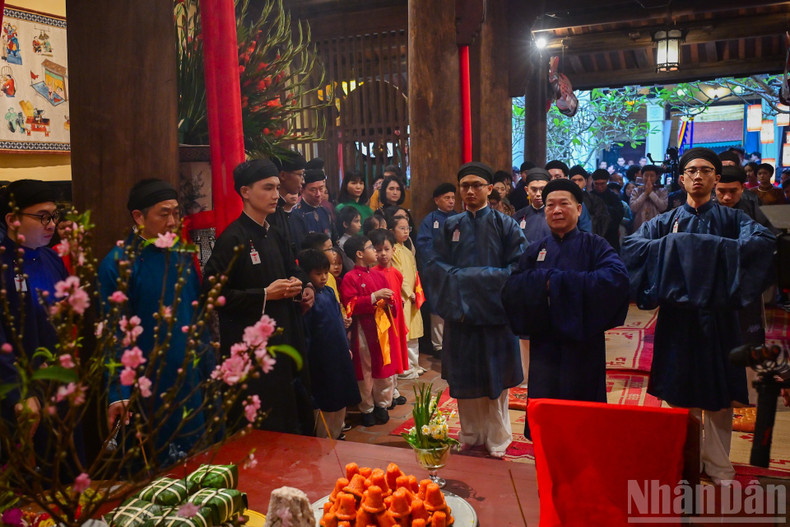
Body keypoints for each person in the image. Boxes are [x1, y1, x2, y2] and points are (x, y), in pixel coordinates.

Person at [622, 147, 776, 485]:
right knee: (679, 390)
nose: (697, 176)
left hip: (720, 319)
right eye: (691, 170)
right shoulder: (665, 222)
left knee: (719, 393)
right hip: (678, 319)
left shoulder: (733, 220)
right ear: (681, 178)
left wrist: (691, 247)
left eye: (705, 170)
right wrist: (676, 247)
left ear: (716, 178)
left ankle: (719, 465)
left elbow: (763, 242)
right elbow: (633, 247)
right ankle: (681, 457)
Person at [502, 179, 630, 439]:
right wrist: (544, 282)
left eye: (564, 204)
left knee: (582, 418)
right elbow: (512, 287)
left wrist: (555, 283)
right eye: (550, 205)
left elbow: (616, 279)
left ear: (579, 209)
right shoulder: (536, 249)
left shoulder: (595, 245)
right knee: (546, 418)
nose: (556, 210)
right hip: (545, 345)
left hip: (583, 345)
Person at [422, 162, 526, 458]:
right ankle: (470, 433)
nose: (469, 191)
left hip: (495, 317)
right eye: (464, 185)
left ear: (489, 189)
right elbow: (434, 264)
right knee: (466, 379)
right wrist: (469, 278)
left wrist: (469, 277)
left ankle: (497, 437)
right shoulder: (451, 226)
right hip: (462, 315)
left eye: (476, 185)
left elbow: (519, 267)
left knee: (496, 380)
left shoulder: (505, 225)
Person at [98, 178, 206, 464]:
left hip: (189, 379)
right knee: (156, 471)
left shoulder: (181, 254)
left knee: (198, 464)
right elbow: (113, 331)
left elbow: (197, 315)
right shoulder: (118, 263)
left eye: (175, 212)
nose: (172, 221)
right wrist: (118, 389)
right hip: (149, 383)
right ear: (138, 216)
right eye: (163, 213)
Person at [203, 159, 314, 435]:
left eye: (277, 187)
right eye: (268, 188)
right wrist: (265, 294)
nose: (276, 194)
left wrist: (305, 286)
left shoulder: (274, 232)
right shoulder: (232, 238)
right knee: (263, 424)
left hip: (285, 335)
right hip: (251, 349)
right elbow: (213, 293)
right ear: (245, 192)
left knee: (291, 413)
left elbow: (293, 267)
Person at [0, 180, 84, 471]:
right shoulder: (3, 264)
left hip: (60, 384)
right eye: (42, 217)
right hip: (21, 393)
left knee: (70, 470)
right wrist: (19, 393)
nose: (51, 224)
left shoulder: (50, 258)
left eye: (54, 216)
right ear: (12, 219)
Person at [298, 249, 360, 439]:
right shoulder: (308, 299)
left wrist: (346, 346)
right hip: (321, 357)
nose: (324, 277)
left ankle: (337, 430)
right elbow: (307, 332)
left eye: (326, 272)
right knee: (325, 399)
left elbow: (336, 321)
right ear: (306, 274)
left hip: (338, 352)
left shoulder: (330, 291)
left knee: (340, 396)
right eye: (318, 274)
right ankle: (324, 439)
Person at [340, 235, 399, 427]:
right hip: (363, 330)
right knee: (365, 369)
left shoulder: (379, 274)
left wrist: (390, 301)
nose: (375, 251)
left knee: (383, 365)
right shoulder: (350, 278)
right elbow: (350, 304)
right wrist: (374, 296)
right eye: (370, 247)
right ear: (359, 254)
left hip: (381, 327)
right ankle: (367, 408)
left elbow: (391, 299)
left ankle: (382, 403)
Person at [415, 182, 457, 359]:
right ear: (437, 200)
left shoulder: (459, 218)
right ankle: (438, 345)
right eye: (447, 198)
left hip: (455, 272)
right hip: (436, 272)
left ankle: (454, 343)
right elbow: (424, 245)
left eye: (453, 198)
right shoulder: (430, 220)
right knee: (436, 307)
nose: (451, 201)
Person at [390, 216, 425, 378]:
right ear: (392, 231)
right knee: (405, 331)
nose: (406, 231)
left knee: (414, 331)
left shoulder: (406, 249)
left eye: (407, 228)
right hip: (404, 296)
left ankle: (415, 363)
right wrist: (408, 292)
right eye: (401, 228)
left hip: (413, 295)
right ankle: (405, 366)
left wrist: (416, 290)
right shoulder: (394, 251)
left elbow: (413, 270)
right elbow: (399, 274)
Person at [290, 161, 333, 250]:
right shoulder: (296, 215)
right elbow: (300, 246)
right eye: (313, 190)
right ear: (302, 190)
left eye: (321, 189)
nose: (318, 194)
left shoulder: (325, 211)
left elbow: (335, 239)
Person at [513, 168, 552, 243]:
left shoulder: (556, 215)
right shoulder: (518, 216)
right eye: (534, 190)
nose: (538, 194)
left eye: (542, 189)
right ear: (527, 190)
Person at [569, 165, 609, 238]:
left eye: (580, 180)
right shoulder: (566, 198)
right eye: (573, 180)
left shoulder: (595, 199)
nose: (577, 183)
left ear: (586, 181)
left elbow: (603, 220)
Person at [590, 169, 625, 251]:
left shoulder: (613, 196)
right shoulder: (589, 197)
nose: (599, 187)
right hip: (593, 236)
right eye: (596, 184)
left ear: (607, 182)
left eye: (602, 184)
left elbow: (619, 214)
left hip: (611, 236)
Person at [629, 164, 668, 232]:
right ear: (642, 176)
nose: (648, 178)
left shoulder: (662, 190)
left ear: (656, 177)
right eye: (646, 175)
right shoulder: (636, 190)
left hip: (656, 227)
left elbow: (663, 207)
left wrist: (651, 193)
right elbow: (633, 208)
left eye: (652, 176)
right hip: (639, 226)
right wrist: (645, 193)